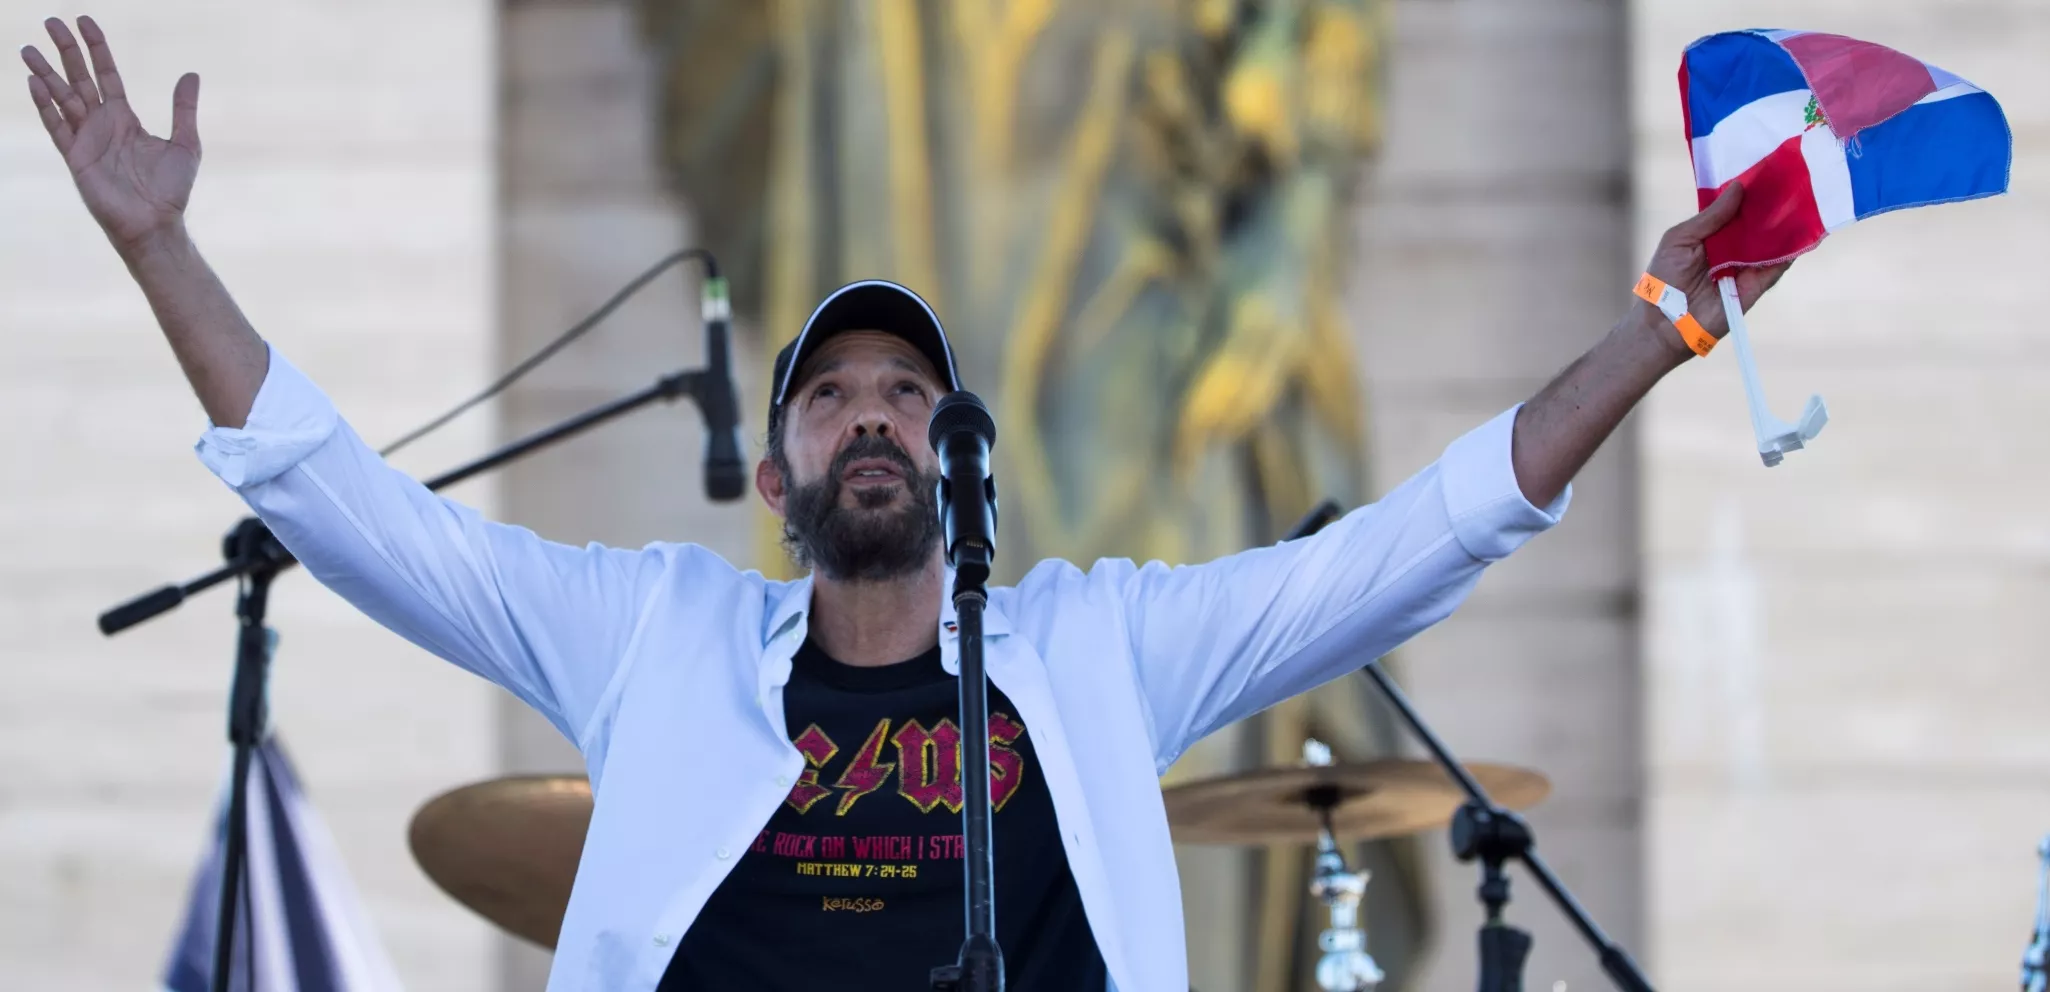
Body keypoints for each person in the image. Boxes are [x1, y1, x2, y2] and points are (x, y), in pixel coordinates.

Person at [22, 15, 1790, 992]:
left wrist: (1652, 334)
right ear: (782, 466)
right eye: (831, 396)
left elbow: (1423, 541)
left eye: (906, 395)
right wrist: (163, 247)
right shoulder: (653, 635)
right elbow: (350, 509)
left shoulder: (1102, 646)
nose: (871, 415)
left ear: (960, 458)